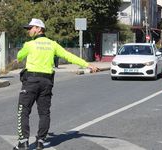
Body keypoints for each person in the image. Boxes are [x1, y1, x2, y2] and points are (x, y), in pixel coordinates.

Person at [13, 18, 99, 150]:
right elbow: (69, 56)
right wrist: (88, 64)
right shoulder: (53, 44)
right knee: (44, 113)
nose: (29, 31)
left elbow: (19, 56)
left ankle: (23, 142)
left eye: (31, 28)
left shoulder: (29, 45)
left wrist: (19, 57)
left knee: (23, 111)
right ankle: (41, 141)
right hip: (46, 82)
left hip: (31, 81)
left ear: (39, 29)